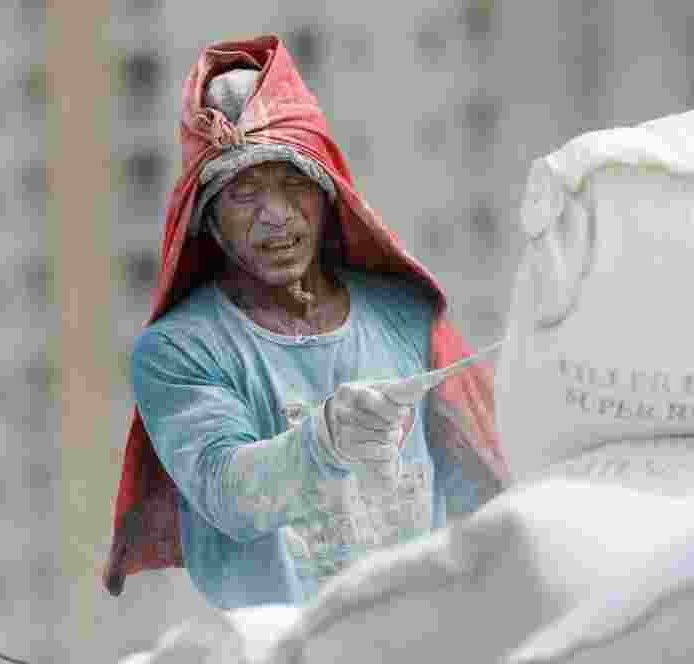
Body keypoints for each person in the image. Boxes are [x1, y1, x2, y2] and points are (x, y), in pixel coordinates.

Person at [102, 35, 507, 609]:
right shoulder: (179, 351)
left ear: (328, 196)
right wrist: (326, 439)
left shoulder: (405, 316)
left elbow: (485, 479)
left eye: (294, 183)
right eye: (244, 192)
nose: (276, 215)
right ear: (208, 221)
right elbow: (228, 494)